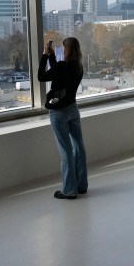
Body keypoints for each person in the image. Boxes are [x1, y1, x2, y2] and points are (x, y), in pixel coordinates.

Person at [38, 37, 87, 200]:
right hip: (73, 109)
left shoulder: (62, 66)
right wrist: (52, 58)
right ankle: (81, 185)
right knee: (78, 147)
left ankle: (69, 190)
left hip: (58, 113)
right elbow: (60, 73)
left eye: (63, 48)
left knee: (65, 151)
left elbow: (42, 76)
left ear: (66, 50)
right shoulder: (78, 67)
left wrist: (45, 56)